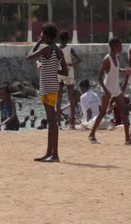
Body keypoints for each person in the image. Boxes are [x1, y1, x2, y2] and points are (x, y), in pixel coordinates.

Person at [26, 23, 68, 163]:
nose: (41, 35)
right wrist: (50, 70)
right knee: (51, 121)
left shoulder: (46, 48)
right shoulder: (58, 50)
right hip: (52, 86)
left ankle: (54, 155)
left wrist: (38, 42)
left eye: (42, 34)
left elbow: (29, 57)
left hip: (48, 87)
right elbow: (65, 72)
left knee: (52, 121)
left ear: (47, 36)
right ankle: (49, 153)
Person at [86, 37, 131, 145]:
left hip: (116, 88)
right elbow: (99, 77)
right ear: (114, 46)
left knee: (124, 110)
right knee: (103, 112)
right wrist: (105, 90)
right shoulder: (107, 59)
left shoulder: (116, 57)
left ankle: (127, 139)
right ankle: (92, 134)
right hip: (108, 88)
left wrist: (123, 70)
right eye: (120, 45)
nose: (122, 47)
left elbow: (114, 69)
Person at [56, 30, 81, 129]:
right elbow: (79, 60)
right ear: (68, 39)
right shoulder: (70, 48)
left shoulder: (56, 49)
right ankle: (72, 123)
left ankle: (58, 123)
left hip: (60, 73)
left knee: (59, 98)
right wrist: (71, 64)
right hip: (69, 72)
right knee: (71, 98)